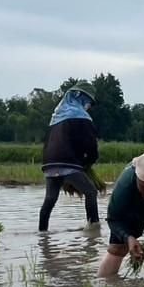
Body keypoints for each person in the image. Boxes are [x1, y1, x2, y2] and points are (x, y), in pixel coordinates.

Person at [38, 83, 100, 231]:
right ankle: (94, 228)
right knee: (91, 192)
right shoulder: (82, 117)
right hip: (68, 162)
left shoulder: (56, 117)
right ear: (81, 98)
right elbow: (91, 145)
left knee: (50, 199)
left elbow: (47, 142)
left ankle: (42, 234)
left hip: (49, 165)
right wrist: (88, 164)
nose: (89, 106)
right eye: (89, 102)